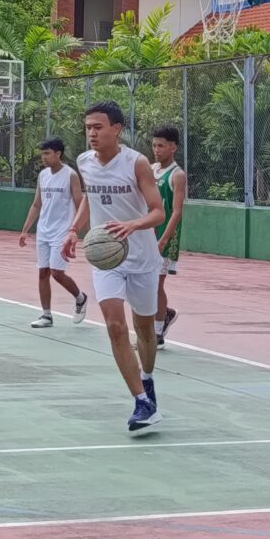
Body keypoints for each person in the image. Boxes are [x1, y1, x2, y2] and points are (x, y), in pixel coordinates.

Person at [62, 101, 165, 433]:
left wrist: (133, 225)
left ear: (116, 129)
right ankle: (141, 401)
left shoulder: (136, 163)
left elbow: (158, 212)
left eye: (98, 127)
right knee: (115, 327)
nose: (91, 133)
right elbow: (89, 198)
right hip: (106, 259)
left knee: (145, 330)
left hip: (142, 258)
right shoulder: (84, 162)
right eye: (88, 127)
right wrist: (73, 230)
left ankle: (146, 378)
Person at [19, 138, 88, 328]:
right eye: (42, 154)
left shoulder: (70, 175)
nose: (44, 157)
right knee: (43, 272)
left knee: (57, 273)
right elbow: (36, 204)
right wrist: (25, 230)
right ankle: (46, 315)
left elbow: (79, 203)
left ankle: (80, 298)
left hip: (62, 232)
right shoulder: (43, 175)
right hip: (43, 231)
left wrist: (81, 231)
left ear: (58, 154)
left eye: (47, 153)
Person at [152, 125, 186, 349]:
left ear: (173, 147)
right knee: (144, 283)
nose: (156, 150)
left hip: (165, 235)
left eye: (161, 146)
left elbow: (177, 211)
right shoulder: (150, 169)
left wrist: (164, 239)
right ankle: (165, 314)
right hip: (148, 233)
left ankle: (157, 334)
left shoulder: (177, 175)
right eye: (154, 145)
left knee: (156, 283)